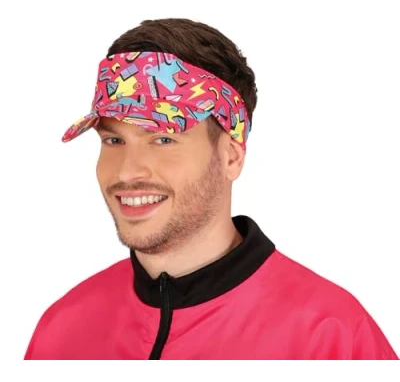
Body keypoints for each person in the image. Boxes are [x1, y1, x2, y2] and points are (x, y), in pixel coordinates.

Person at [24, 18, 398, 360]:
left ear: (231, 157)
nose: (128, 170)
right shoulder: (63, 329)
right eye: (113, 140)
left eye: (163, 139)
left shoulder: (331, 337)